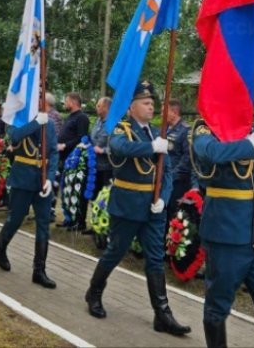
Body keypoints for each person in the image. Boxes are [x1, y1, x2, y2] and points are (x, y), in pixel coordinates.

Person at [84, 81, 190, 336]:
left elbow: (163, 173)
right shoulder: (122, 129)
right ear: (131, 107)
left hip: (152, 208)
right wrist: (151, 148)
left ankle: (162, 314)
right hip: (128, 204)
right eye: (145, 102)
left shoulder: (156, 132)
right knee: (115, 252)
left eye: (152, 102)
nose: (151, 106)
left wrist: (162, 198)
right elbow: (120, 148)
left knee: (155, 259)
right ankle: (93, 293)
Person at [190, 116, 254, 347]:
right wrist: (250, 145)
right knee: (218, 303)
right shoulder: (205, 129)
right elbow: (212, 153)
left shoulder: (252, 131)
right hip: (225, 235)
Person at [0, 110, 59, 288]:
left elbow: (53, 152)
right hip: (22, 179)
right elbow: (14, 136)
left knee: (44, 225)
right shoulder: (18, 121)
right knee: (15, 219)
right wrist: (36, 123)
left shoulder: (50, 124)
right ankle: (0, 247)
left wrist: (51, 179)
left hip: (42, 180)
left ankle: (39, 270)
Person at [80, 96, 113, 235]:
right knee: (93, 197)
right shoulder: (98, 121)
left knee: (104, 199)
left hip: (106, 168)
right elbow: (93, 139)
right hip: (94, 167)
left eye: (99, 106)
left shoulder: (113, 124)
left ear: (106, 107)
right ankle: (94, 225)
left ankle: (104, 228)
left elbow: (116, 148)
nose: (97, 108)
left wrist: (103, 150)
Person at [57, 92, 90, 230]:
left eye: (66, 100)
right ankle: (69, 218)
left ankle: (79, 221)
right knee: (66, 190)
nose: (64, 103)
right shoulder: (69, 117)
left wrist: (65, 145)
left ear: (73, 102)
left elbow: (81, 138)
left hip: (75, 160)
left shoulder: (82, 118)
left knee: (76, 190)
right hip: (65, 158)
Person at [165, 99, 193, 220]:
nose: (161, 114)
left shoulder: (185, 130)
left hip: (177, 181)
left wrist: (172, 175)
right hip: (165, 177)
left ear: (174, 112)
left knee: (174, 212)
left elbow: (187, 157)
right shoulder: (164, 128)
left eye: (164, 111)